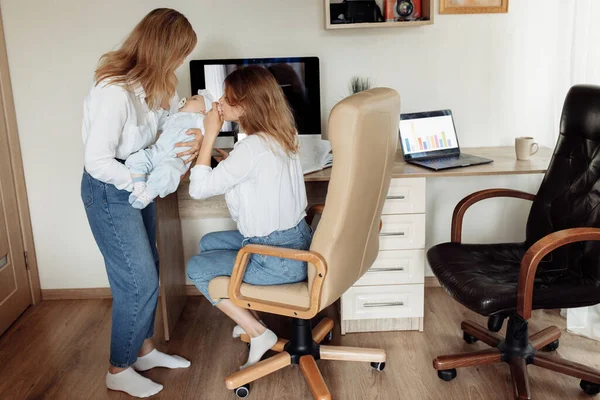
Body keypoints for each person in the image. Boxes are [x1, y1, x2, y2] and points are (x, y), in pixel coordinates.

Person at [80, 8, 201, 398]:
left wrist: (187, 136)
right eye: (180, 53)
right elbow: (96, 160)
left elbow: (165, 130)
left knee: (149, 266)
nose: (182, 62)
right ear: (162, 50)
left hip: (137, 182)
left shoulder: (156, 85)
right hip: (110, 188)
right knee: (138, 281)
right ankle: (118, 368)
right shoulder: (114, 92)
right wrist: (140, 181)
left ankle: (144, 351)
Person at [186, 66, 313, 369]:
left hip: (276, 260)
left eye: (227, 99)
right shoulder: (283, 135)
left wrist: (209, 134)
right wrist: (227, 162)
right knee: (208, 241)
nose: (219, 103)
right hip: (297, 244)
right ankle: (249, 319)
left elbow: (198, 189)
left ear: (245, 106)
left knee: (196, 267)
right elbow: (260, 176)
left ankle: (258, 333)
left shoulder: (250, 148)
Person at [126, 90, 214, 209]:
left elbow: (210, 128)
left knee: (168, 172)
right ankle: (138, 186)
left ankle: (149, 193)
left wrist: (202, 136)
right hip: (158, 151)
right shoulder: (173, 117)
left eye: (194, 99)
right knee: (139, 158)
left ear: (203, 111)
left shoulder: (199, 119)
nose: (187, 99)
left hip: (175, 158)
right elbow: (158, 123)